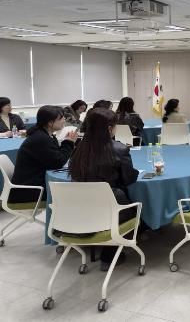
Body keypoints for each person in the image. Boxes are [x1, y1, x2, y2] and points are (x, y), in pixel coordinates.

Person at [68, 108, 139, 271]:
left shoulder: (78, 149)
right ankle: (112, 252)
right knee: (132, 205)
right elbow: (128, 179)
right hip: (110, 208)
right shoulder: (119, 149)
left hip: (80, 208)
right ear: (109, 128)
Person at [8, 106, 77, 203]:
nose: (64, 120)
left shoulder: (44, 135)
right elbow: (58, 162)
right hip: (29, 192)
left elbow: (57, 156)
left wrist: (67, 142)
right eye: (61, 118)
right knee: (69, 195)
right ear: (50, 122)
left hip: (30, 186)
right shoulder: (40, 138)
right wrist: (69, 143)